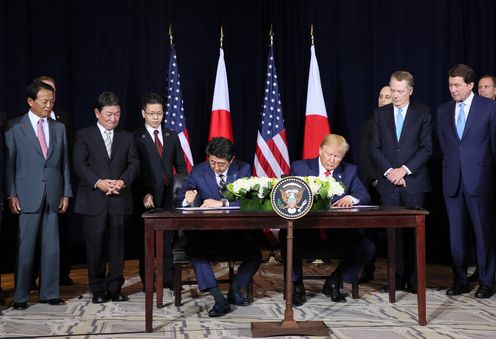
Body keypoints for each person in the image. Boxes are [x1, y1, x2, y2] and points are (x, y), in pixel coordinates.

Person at [282, 134, 375, 306]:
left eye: (337, 156)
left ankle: (335, 280)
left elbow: (364, 195)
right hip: (305, 232)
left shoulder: (349, 171)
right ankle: (296, 286)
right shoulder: (300, 168)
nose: (332, 160)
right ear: (320, 150)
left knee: (367, 247)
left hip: (336, 232)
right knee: (286, 237)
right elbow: (287, 194)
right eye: (329, 154)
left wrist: (351, 198)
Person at [176, 137, 261, 317]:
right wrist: (187, 198)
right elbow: (183, 194)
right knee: (195, 253)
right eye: (212, 162)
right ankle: (218, 299)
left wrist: (222, 203)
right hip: (205, 232)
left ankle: (235, 289)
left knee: (255, 255)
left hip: (234, 231)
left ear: (231, 160)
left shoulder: (243, 169)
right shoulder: (199, 171)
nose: (215, 167)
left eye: (220, 164)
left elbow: (249, 200)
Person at [5, 81, 72, 309]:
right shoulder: (15, 127)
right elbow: (10, 165)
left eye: (52, 100)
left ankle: (49, 293)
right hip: (26, 194)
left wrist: (66, 192)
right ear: (30, 101)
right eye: (44, 101)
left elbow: (65, 164)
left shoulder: (59, 128)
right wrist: (11, 194)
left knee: (52, 247)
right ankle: (21, 296)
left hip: (53, 192)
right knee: (26, 247)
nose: (49, 104)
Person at [73, 92, 140, 304]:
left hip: (119, 198)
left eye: (117, 114)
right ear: (97, 113)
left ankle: (115, 288)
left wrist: (121, 181)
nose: (113, 119)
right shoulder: (84, 135)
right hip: (94, 199)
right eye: (109, 114)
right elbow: (79, 165)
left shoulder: (127, 136)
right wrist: (99, 183)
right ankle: (98, 289)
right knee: (95, 247)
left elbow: (134, 164)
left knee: (118, 247)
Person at [370, 71, 433, 294]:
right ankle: (395, 279)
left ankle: (415, 280)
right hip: (389, 183)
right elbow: (374, 148)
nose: (395, 95)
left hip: (413, 181)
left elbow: (427, 148)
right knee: (393, 233)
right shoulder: (380, 114)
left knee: (414, 234)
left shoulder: (423, 113)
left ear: (410, 91)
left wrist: (403, 171)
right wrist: (390, 172)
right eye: (392, 90)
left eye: (399, 91)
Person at [437, 64, 496, 299]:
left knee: (484, 234)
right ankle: (460, 280)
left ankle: (486, 281)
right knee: (456, 235)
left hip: (480, 180)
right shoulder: (443, 110)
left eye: (457, 85)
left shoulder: (489, 108)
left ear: (470, 85)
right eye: (450, 85)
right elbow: (446, 146)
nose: (453, 90)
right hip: (452, 182)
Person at [134, 93, 187, 289]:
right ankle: (147, 279)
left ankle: (167, 278)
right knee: (146, 241)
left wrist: (183, 192)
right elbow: (134, 169)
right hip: (146, 195)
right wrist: (143, 193)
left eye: (159, 113)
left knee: (168, 239)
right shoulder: (136, 137)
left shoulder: (171, 136)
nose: (156, 117)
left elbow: (181, 167)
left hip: (168, 195)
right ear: (143, 113)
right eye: (152, 113)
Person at [33, 76, 74, 286]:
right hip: (33, 187)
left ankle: (61, 274)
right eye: (46, 91)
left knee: (60, 232)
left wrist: (66, 189)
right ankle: (31, 277)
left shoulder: (63, 119)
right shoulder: (24, 123)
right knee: (33, 236)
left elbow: (67, 154)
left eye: (53, 92)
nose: (51, 97)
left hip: (57, 184)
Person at [357, 85, 392, 283]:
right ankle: (367, 268)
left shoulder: (398, 124)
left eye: (387, 96)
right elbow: (365, 155)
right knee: (368, 230)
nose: (382, 100)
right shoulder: (369, 124)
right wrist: (375, 180)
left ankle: (396, 273)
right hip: (374, 184)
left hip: (396, 184)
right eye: (380, 96)